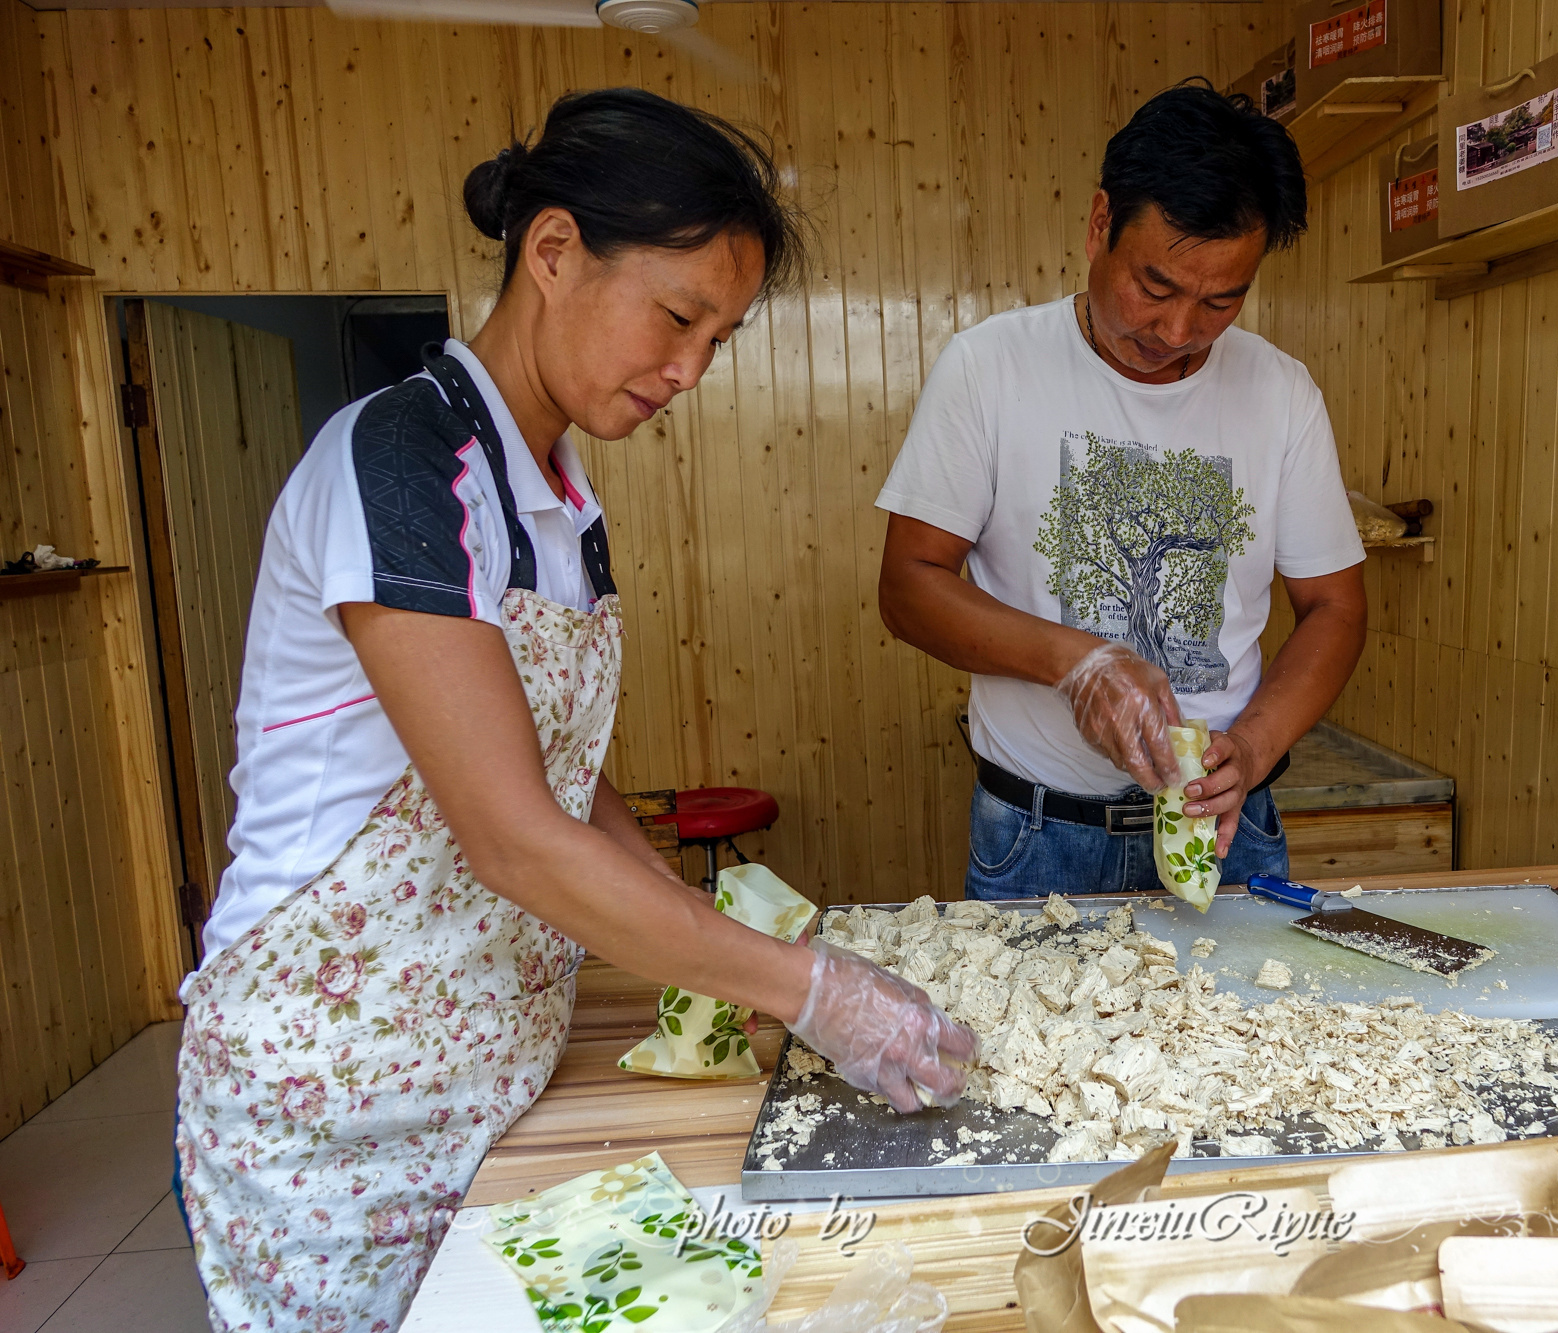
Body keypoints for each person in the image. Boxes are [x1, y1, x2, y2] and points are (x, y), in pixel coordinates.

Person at [173, 89, 973, 1333]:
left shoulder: (558, 499)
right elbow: (512, 833)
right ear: (552, 252)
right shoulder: (397, 463)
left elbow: (569, 776)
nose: (688, 370)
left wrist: (685, 933)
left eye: (718, 339)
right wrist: (807, 986)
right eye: (677, 317)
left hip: (493, 1061)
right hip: (340, 1103)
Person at [877, 82, 1369, 900]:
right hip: (1041, 834)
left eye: (1221, 300)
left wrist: (1251, 746)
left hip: (1228, 828)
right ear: (1101, 223)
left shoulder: (1282, 392)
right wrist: (1080, 664)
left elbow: (1336, 609)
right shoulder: (990, 366)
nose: (1178, 333)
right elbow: (907, 587)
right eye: (1156, 286)